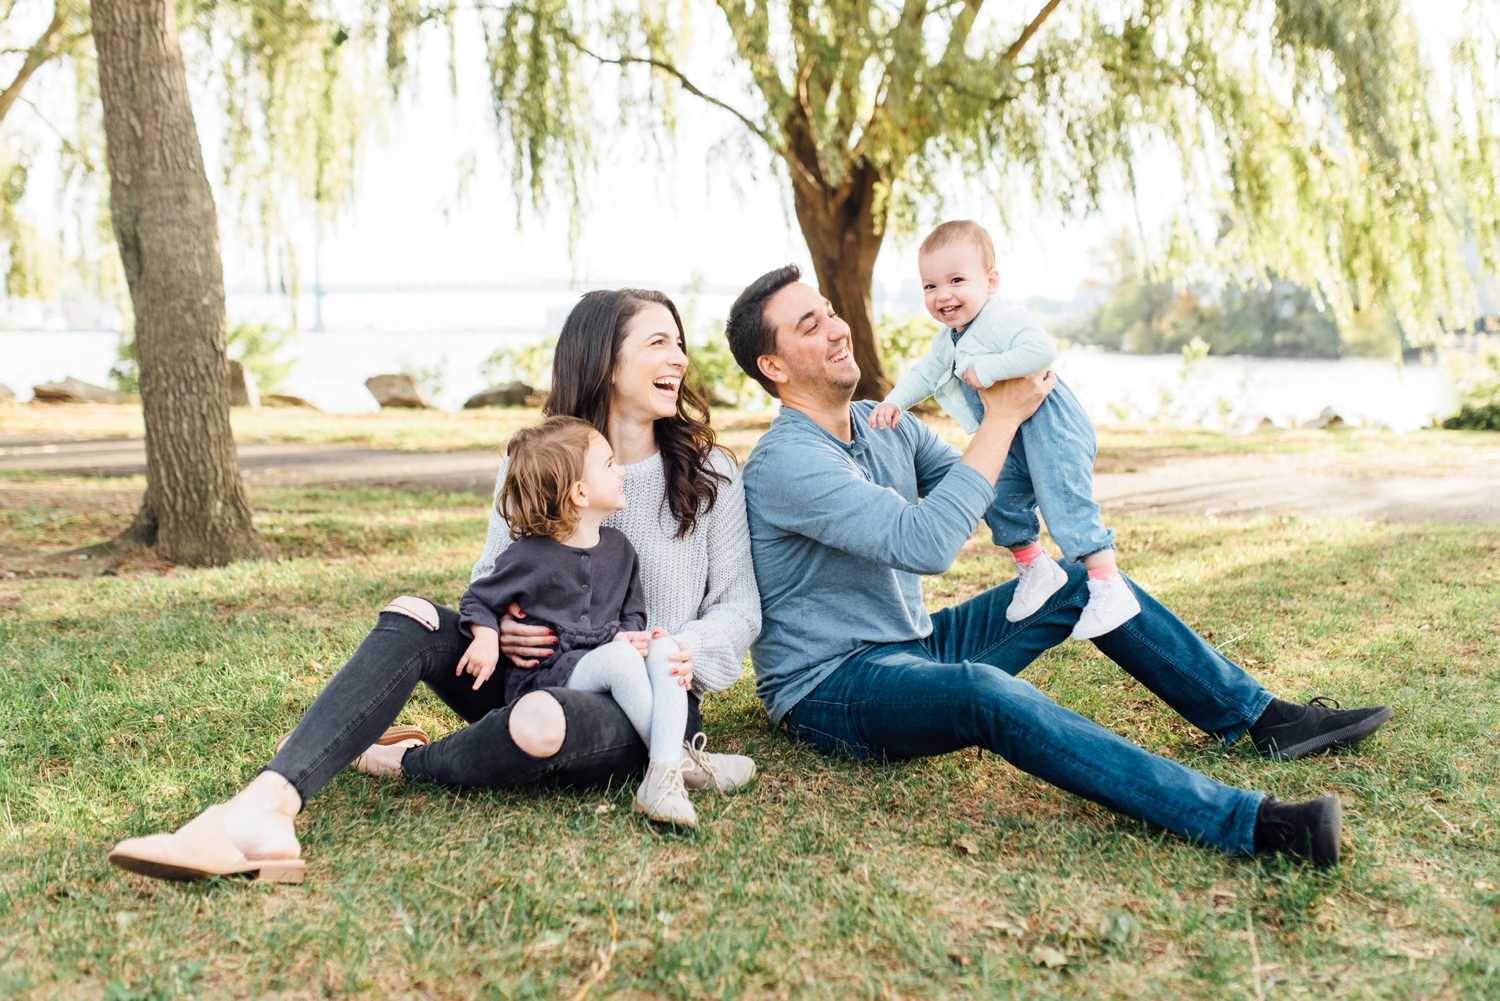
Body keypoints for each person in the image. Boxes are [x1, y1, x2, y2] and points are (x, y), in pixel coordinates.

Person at [724, 263, 1392, 868]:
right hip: (829, 685)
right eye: (810, 326)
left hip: (913, 645)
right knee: (983, 693)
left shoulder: (879, 423)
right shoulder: (787, 464)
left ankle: (1265, 717)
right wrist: (1002, 415)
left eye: (831, 312)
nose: (837, 329)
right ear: (773, 365)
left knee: (1077, 583)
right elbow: (928, 540)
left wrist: (1040, 422)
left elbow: (981, 483)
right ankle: (1253, 823)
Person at [108, 288, 760, 883]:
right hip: (528, 672)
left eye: (678, 341)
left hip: (639, 698)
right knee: (413, 615)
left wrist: (679, 649)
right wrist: (503, 628)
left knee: (540, 722)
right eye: (658, 341)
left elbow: (739, 607)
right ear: (604, 361)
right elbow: (492, 578)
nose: (679, 355)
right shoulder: (531, 460)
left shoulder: (710, 474)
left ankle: (400, 761)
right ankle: (266, 805)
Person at [869, 220, 1138, 640]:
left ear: (990, 281)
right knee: (996, 496)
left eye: (957, 280)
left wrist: (990, 368)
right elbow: (926, 373)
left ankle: (1107, 584)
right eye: (929, 286)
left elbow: (1041, 350)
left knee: (1062, 497)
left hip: (1050, 425)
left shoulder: (1002, 317)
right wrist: (894, 401)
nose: (943, 295)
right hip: (1010, 431)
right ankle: (1034, 565)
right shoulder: (950, 340)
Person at [459, 415, 701, 826]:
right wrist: (485, 637)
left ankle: (668, 767)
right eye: (609, 465)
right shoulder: (527, 556)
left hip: (607, 665)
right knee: (621, 658)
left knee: (667, 648)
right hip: (551, 678)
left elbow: (632, 610)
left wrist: (638, 635)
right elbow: (479, 598)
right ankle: (676, 764)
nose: (621, 470)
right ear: (581, 493)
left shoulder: (620, 550)